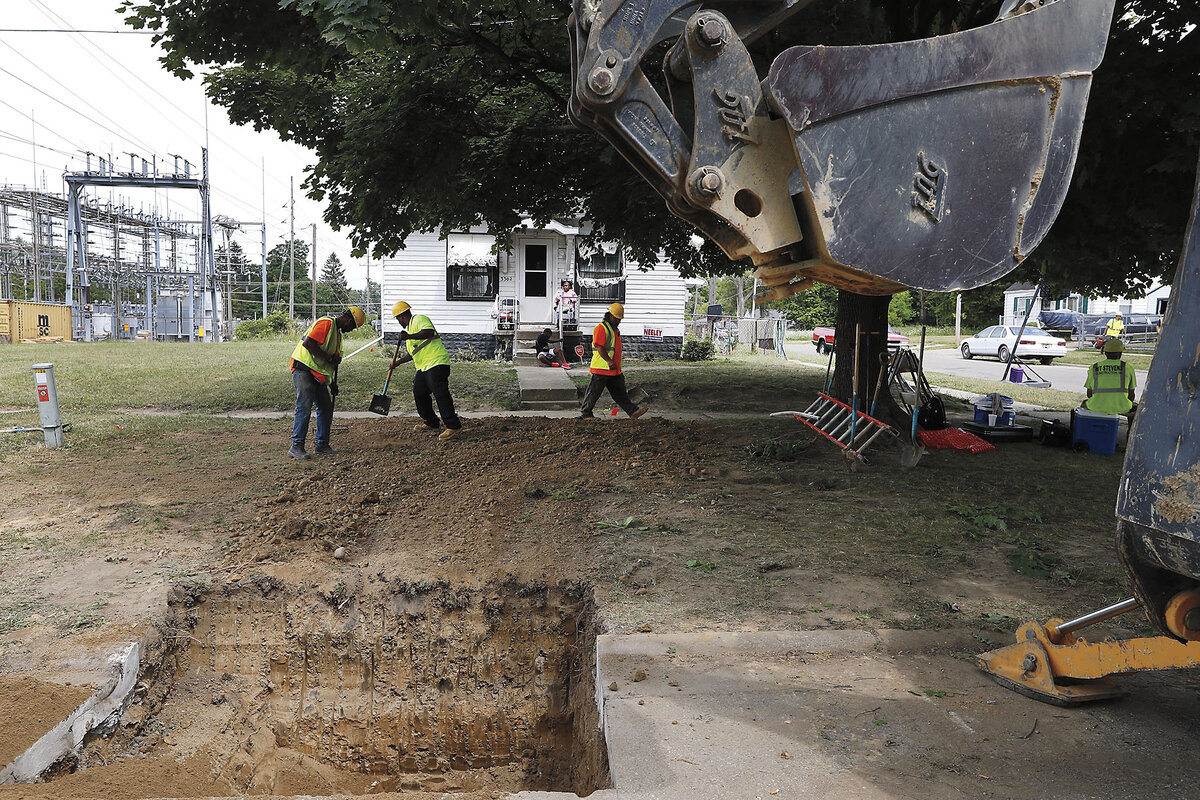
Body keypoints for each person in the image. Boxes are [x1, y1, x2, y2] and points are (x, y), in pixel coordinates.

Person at [289, 306, 366, 459]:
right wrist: (328, 358)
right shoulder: (326, 323)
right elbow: (308, 343)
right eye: (352, 327)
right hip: (303, 368)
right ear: (348, 321)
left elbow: (329, 365)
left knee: (325, 407)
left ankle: (322, 445)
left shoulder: (337, 335)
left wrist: (332, 384)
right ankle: (296, 446)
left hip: (317, 373)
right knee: (304, 406)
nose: (351, 330)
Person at [391, 301, 462, 440]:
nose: (399, 321)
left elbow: (428, 332)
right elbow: (412, 354)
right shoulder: (410, 330)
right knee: (419, 392)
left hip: (436, 362)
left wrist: (408, 336)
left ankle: (453, 425)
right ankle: (432, 422)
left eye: (398, 318)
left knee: (440, 393)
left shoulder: (419, 319)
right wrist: (397, 363)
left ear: (402, 316)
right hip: (424, 367)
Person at [580, 302, 649, 420]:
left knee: (620, 393)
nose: (618, 321)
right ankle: (586, 414)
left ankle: (633, 411)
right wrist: (608, 361)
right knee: (594, 392)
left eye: (619, 319)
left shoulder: (614, 330)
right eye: (616, 318)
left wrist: (614, 365)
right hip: (602, 367)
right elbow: (599, 347)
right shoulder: (601, 328)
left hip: (613, 369)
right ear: (610, 315)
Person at [1084, 337, 1137, 417]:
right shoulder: (1128, 368)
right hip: (1123, 407)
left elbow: (1089, 394)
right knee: (1137, 410)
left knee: (1081, 408)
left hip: (1096, 406)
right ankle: (1131, 429)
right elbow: (1131, 395)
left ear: (1105, 353)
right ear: (1120, 353)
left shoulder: (1094, 368)